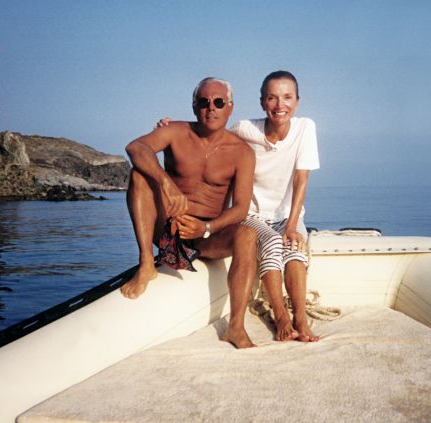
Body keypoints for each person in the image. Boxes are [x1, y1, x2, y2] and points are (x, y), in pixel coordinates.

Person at [157, 71, 320, 344]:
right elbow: (209, 126)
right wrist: (172, 125)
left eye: (287, 97)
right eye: (272, 98)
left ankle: (300, 318)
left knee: (296, 249)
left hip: (287, 215)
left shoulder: (306, 128)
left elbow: (301, 178)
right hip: (253, 214)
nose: (280, 105)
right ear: (262, 102)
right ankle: (281, 315)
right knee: (270, 242)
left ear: (298, 102)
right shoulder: (246, 128)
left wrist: (292, 226)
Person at [121, 77, 258, 349]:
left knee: (247, 234)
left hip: (206, 236)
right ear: (194, 106)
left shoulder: (241, 152)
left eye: (219, 102)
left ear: (230, 108)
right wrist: (166, 184)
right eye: (204, 102)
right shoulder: (176, 132)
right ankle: (147, 263)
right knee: (139, 175)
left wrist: (206, 229)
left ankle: (236, 327)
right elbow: (136, 147)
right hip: (168, 228)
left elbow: (241, 208)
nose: (212, 108)